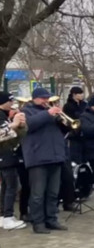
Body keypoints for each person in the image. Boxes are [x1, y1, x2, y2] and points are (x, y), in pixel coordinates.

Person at [22, 88, 68, 234]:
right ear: (34, 98)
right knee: (38, 194)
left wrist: (63, 121)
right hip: (37, 158)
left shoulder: (52, 114)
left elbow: (66, 130)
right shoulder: (25, 111)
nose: (46, 101)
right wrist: (48, 113)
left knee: (53, 192)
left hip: (55, 156)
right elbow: (29, 125)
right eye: (42, 98)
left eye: (47, 98)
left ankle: (51, 219)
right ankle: (38, 222)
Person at [0, 92, 27, 230]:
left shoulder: (4, 115)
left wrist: (21, 126)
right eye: (9, 101)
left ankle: (3, 215)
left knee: (6, 186)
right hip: (5, 156)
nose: (12, 104)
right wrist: (14, 124)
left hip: (7, 156)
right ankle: (8, 216)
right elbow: (2, 134)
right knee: (11, 186)